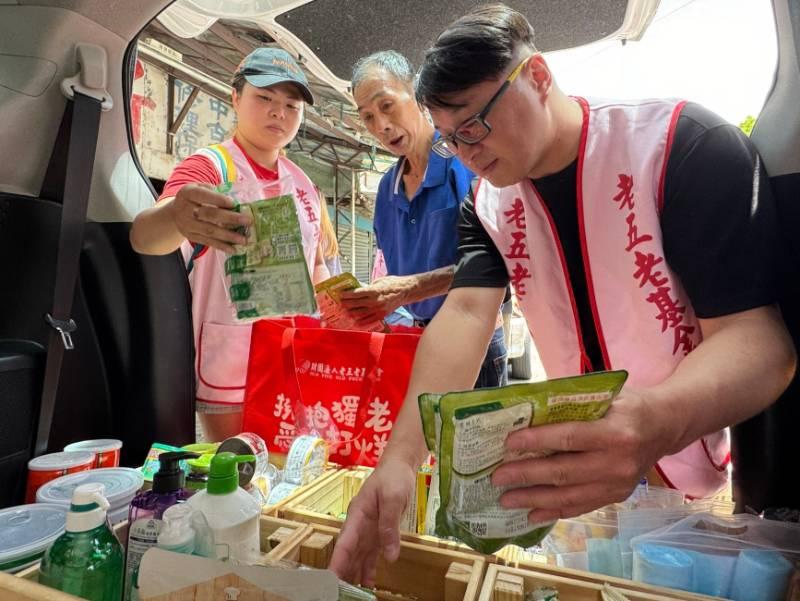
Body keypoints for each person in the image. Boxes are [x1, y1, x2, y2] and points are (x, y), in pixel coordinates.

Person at [330, 4, 796, 584]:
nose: (468, 152)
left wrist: (656, 420)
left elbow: (760, 343)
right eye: (450, 140)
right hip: (584, 478)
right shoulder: (489, 203)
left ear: (538, 77)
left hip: (689, 456)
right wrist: (400, 458)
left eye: (474, 125)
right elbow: (468, 313)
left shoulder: (682, 146)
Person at [130, 47, 329, 442]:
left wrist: (339, 305)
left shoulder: (304, 184)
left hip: (295, 355)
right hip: (232, 357)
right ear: (235, 98)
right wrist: (174, 217)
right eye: (265, 98)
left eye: (291, 105)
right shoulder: (208, 167)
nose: (279, 112)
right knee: (238, 467)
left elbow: (316, 263)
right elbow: (145, 237)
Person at [341, 50, 508, 388]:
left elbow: (500, 262)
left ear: (416, 93)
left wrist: (406, 290)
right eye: (368, 117)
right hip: (416, 342)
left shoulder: (463, 161)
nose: (382, 126)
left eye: (386, 106)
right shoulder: (387, 189)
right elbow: (395, 275)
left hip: (474, 338)